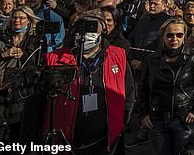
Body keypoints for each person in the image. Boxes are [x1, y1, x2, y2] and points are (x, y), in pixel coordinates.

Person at [43, 9, 135, 154]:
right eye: (82, 27)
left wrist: (120, 122)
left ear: (103, 30)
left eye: (92, 27)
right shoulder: (54, 59)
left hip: (104, 143)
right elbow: (36, 105)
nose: (86, 33)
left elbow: (128, 92)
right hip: (65, 144)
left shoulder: (117, 55)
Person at [136, 18, 194, 155]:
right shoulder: (152, 60)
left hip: (184, 120)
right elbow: (142, 88)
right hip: (157, 119)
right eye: (170, 35)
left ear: (184, 36)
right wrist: (143, 114)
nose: (174, 39)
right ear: (163, 36)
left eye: (179, 35)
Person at [0, 7, 39, 142]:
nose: (17, 20)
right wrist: (2, 55)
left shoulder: (35, 40)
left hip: (20, 94)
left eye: (21, 18)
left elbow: (37, 66)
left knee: (14, 139)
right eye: (14, 17)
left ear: (29, 21)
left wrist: (24, 56)